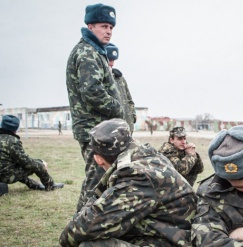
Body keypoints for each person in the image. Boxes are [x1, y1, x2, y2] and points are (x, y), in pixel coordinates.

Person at [59, 119, 197, 246]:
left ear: (98, 159)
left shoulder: (136, 176)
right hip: (166, 234)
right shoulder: (148, 156)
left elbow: (82, 229)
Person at [66, 3, 124, 212]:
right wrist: (118, 110)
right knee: (96, 181)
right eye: (103, 26)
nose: (108, 31)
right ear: (90, 26)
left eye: (111, 27)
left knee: (103, 178)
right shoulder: (87, 52)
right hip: (93, 129)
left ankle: (91, 222)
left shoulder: (95, 51)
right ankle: (79, 226)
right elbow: (91, 91)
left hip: (99, 128)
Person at [0, 115, 64, 192]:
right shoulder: (13, 141)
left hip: (3, 172)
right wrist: (41, 162)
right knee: (38, 165)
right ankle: (50, 185)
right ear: (15, 129)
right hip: (5, 176)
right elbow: (26, 162)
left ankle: (34, 185)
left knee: (15, 168)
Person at [105, 43, 137, 134]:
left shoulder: (120, 78)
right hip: (111, 131)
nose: (112, 63)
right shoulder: (100, 79)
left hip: (127, 128)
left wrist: (132, 116)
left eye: (113, 60)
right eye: (109, 59)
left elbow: (129, 100)